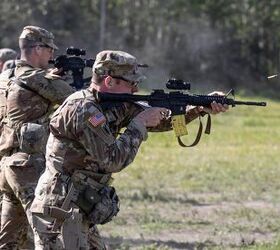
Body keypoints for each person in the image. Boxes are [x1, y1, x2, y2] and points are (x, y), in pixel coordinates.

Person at [30, 50, 228, 249]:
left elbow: (160, 122)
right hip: (59, 208)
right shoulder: (83, 109)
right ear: (109, 81)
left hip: (78, 204)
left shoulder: (113, 103)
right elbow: (113, 159)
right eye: (131, 83)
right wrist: (139, 124)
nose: (135, 89)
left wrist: (198, 108)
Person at [0, 25, 74, 249]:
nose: (52, 54)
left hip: (6, 164)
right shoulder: (37, 78)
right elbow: (76, 101)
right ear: (37, 49)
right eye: (50, 49)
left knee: (9, 238)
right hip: (27, 165)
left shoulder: (6, 75)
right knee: (47, 232)